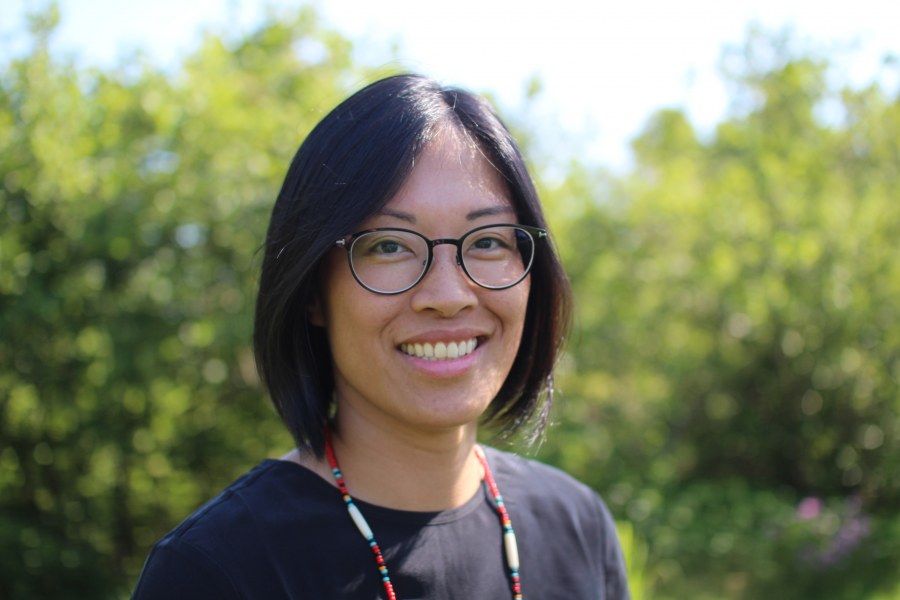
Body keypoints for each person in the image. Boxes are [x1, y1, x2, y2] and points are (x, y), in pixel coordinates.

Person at [131, 74, 630, 599]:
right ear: (312, 292)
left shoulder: (578, 527)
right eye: (389, 246)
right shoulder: (216, 569)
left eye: (487, 241)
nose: (449, 294)